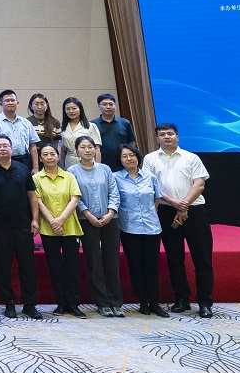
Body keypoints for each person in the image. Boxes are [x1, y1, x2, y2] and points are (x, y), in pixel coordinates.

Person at [144, 123, 214, 318]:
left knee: (202, 258)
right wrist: (174, 203)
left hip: (195, 211)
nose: (167, 137)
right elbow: (151, 186)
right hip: (166, 211)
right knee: (174, 258)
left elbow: (199, 184)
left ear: (177, 136)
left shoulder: (191, 157)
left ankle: (205, 302)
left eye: (170, 134)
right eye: (162, 134)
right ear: (157, 138)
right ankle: (182, 299)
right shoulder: (150, 159)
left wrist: (183, 205)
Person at [0, 134, 42, 320]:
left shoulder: (23, 169)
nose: (2, 149)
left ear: (11, 148)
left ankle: (30, 304)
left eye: (5, 145)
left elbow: (32, 196)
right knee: (2, 267)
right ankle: (8, 303)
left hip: (23, 225)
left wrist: (35, 219)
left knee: (28, 267)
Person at [71, 135, 124, 317]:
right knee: (94, 262)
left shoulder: (105, 169)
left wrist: (110, 213)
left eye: (90, 147)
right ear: (77, 151)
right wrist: (87, 214)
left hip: (110, 220)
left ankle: (116, 302)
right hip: (87, 221)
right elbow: (75, 196)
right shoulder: (72, 171)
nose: (87, 150)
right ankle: (102, 303)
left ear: (95, 149)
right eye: (83, 147)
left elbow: (114, 193)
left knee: (112, 261)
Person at [115, 145, 169, 318]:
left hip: (151, 228)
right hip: (129, 229)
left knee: (151, 266)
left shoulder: (150, 177)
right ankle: (143, 302)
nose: (129, 159)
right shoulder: (115, 178)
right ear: (120, 160)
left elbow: (156, 199)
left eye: (132, 155)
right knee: (135, 266)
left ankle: (154, 302)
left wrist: (148, 213)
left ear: (138, 157)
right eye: (124, 156)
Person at [33, 144, 85, 318]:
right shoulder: (36, 178)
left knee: (72, 268)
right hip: (48, 230)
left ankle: (74, 304)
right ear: (40, 158)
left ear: (57, 156)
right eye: (45, 154)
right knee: (55, 268)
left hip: (69, 227)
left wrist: (61, 220)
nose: (49, 157)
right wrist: (53, 222)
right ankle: (61, 303)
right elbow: (38, 202)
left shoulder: (69, 176)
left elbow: (74, 200)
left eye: (52, 154)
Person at [0, 89, 42, 173]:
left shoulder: (26, 122)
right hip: (3, 161)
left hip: (25, 160)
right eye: (7, 101)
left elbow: (32, 146)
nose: (10, 103)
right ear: (1, 104)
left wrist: (35, 167)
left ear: (17, 103)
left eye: (12, 100)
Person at [94, 93, 137, 172]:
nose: (108, 107)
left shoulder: (124, 123)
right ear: (99, 106)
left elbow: (131, 143)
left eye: (111, 104)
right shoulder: (93, 124)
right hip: (102, 165)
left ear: (115, 106)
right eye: (104, 104)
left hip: (123, 166)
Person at [59, 97, 101, 170]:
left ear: (80, 109)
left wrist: (98, 167)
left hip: (87, 159)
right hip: (70, 161)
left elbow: (97, 149)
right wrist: (62, 167)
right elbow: (63, 150)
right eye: (68, 109)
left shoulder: (90, 126)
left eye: (74, 108)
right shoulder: (62, 127)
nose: (71, 111)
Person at [27, 94, 61, 163]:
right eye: (36, 104)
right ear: (31, 106)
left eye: (42, 104)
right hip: (32, 158)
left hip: (50, 157)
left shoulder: (55, 122)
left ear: (47, 105)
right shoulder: (26, 122)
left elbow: (56, 142)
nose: (39, 107)